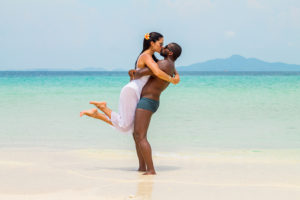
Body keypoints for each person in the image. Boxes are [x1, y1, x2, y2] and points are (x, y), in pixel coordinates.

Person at [80, 32, 180, 133]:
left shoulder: (152, 58)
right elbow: (158, 72)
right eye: (160, 44)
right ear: (152, 43)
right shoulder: (146, 56)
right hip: (132, 90)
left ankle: (99, 111)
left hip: (137, 91)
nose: (162, 47)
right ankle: (101, 110)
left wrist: (176, 74)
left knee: (129, 127)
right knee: (125, 127)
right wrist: (172, 80)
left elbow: (166, 66)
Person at [131, 43, 182, 175]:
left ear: (170, 53)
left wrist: (134, 71)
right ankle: (142, 167)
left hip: (147, 101)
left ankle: (151, 169)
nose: (162, 48)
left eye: (165, 47)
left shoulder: (163, 65)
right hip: (150, 101)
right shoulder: (169, 65)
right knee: (137, 135)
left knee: (140, 136)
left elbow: (139, 74)